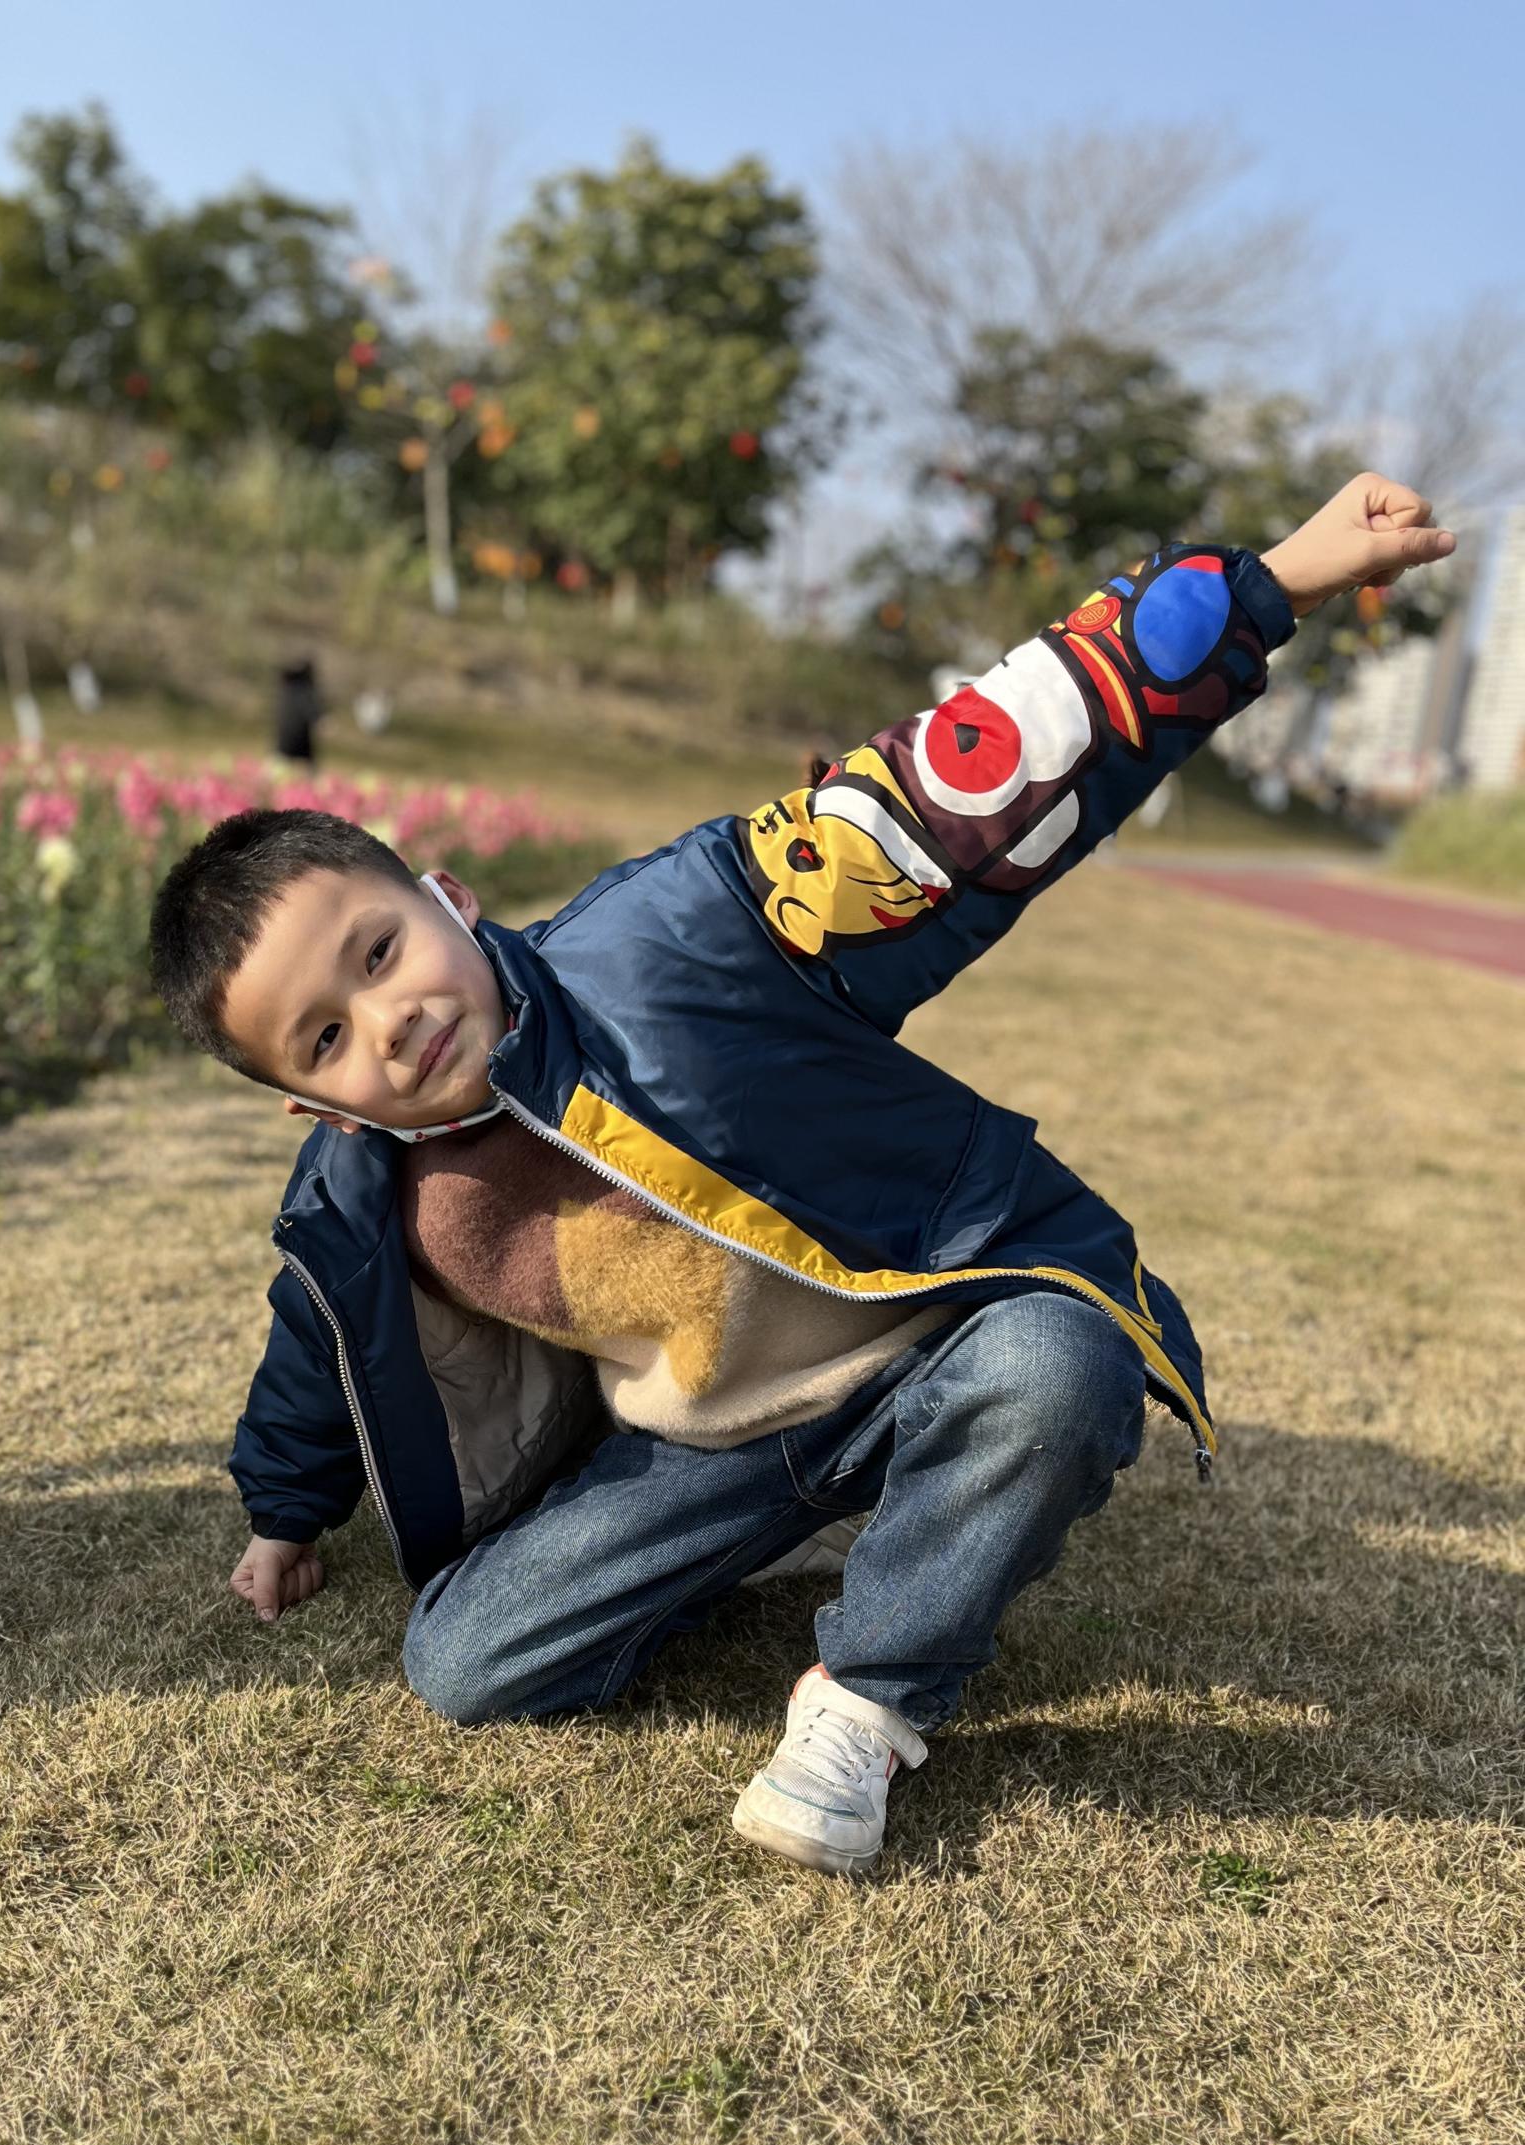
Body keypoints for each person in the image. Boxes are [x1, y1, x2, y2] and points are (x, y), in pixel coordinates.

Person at [149, 476, 1455, 1877]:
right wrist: (284, 1514)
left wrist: (1265, 586)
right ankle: (797, 1537)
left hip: (925, 1350)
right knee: (462, 1663)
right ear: (312, 1103)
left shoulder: (686, 931)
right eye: (327, 1037)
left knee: (1058, 1368)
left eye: (379, 951)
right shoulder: (363, 1193)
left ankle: (870, 1694)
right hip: (707, 1446)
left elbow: (968, 782)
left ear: (445, 896)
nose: (390, 1021)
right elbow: (315, 1348)